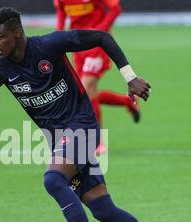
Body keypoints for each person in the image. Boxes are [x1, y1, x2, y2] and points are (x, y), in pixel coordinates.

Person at [0, 7, 189, 222]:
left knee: (53, 180)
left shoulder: (49, 45)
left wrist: (130, 77)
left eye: (0, 37)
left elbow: (101, 38)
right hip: (58, 138)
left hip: (82, 125)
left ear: (17, 32)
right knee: (103, 210)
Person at [54, 0, 140, 154]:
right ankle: (127, 101)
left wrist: (100, 31)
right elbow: (61, 12)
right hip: (77, 45)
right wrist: (57, 37)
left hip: (96, 45)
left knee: (87, 87)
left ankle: (97, 142)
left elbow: (115, 9)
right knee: (84, 93)